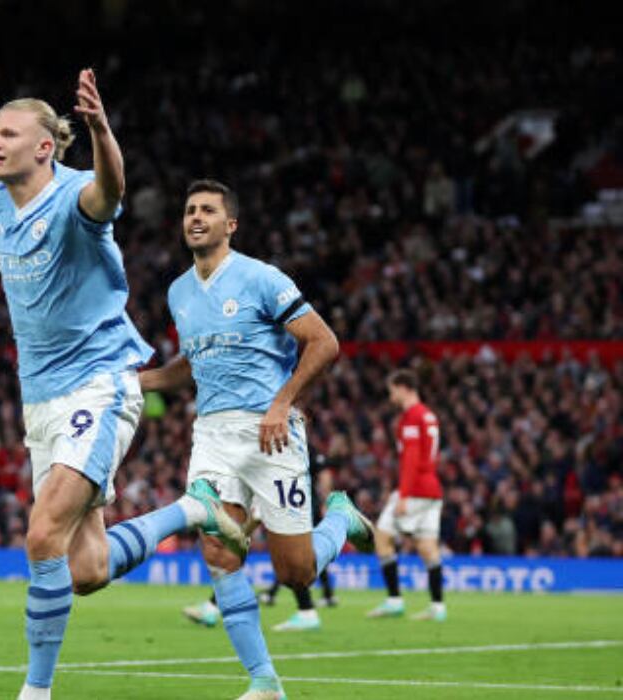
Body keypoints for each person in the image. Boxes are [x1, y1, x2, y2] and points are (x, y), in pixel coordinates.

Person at [0, 71, 236, 699]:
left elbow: (111, 189)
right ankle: (192, 509)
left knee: (42, 533)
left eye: (8, 133)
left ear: (45, 146)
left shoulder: (74, 198)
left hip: (98, 385)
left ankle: (36, 692)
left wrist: (101, 130)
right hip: (40, 398)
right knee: (86, 569)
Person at [140, 180, 375, 700]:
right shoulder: (179, 291)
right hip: (213, 434)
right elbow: (192, 364)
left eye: (208, 210)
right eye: (189, 210)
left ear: (231, 225)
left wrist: (283, 403)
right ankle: (264, 682)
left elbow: (324, 342)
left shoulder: (261, 278)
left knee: (297, 574)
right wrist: (145, 381)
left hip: (271, 434)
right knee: (219, 555)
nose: (196, 217)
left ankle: (341, 518)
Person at [183, 451, 339, 633]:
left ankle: (307, 610)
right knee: (286, 557)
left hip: (290, 504)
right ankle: (306, 608)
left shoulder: (281, 444)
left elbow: (324, 475)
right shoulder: (291, 443)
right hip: (289, 502)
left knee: (288, 557)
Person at [367, 369, 447, 621]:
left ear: (403, 388)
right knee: (427, 546)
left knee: (381, 536)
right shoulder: (429, 415)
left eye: (392, 390)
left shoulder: (412, 417)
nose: (390, 395)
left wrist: (403, 494)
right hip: (433, 489)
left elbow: (411, 458)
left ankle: (394, 600)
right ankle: (437, 607)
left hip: (415, 489)